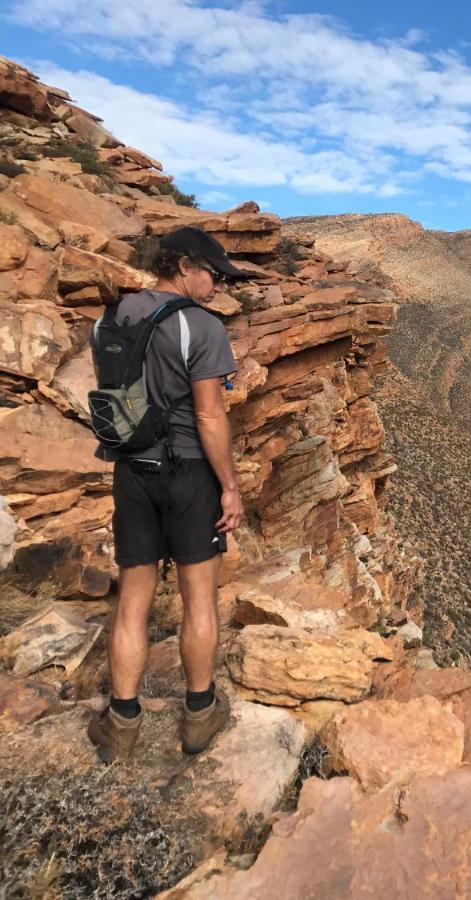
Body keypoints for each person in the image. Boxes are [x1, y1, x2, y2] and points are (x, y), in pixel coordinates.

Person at [86, 226, 247, 763]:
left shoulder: (110, 319)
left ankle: (121, 724)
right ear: (184, 266)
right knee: (199, 596)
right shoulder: (199, 327)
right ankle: (199, 715)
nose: (219, 285)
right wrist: (230, 487)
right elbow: (208, 414)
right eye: (213, 273)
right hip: (189, 473)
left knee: (134, 597)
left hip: (131, 470)